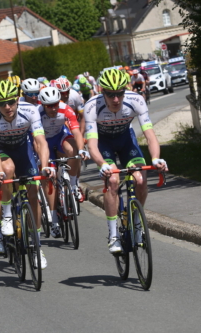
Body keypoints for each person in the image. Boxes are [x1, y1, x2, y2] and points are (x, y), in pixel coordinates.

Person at [84, 69, 168, 253]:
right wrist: (102, 165)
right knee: (112, 180)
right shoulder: (91, 106)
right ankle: (113, 235)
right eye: (110, 94)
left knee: (140, 179)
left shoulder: (136, 100)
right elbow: (92, 145)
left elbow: (150, 135)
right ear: (101, 90)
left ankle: (137, 222)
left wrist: (155, 158)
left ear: (126, 89)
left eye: (120, 93)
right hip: (104, 143)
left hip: (126, 140)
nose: (116, 99)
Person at [0, 80, 53, 268]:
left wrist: (45, 166)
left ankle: (37, 245)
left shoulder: (29, 110)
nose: (7, 107)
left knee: (33, 193)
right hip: (3, 153)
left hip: (23, 151)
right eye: (2, 103)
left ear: (17, 100)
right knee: (7, 171)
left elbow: (40, 141)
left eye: (11, 102)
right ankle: (6, 215)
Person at [38, 87, 88, 237]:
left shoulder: (65, 109)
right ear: (42, 104)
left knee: (73, 151)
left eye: (55, 104)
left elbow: (77, 132)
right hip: (43, 142)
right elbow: (36, 142)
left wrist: (81, 150)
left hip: (60, 137)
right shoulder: (37, 114)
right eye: (49, 106)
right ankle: (53, 220)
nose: (53, 109)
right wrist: (44, 163)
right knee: (48, 178)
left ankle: (72, 185)